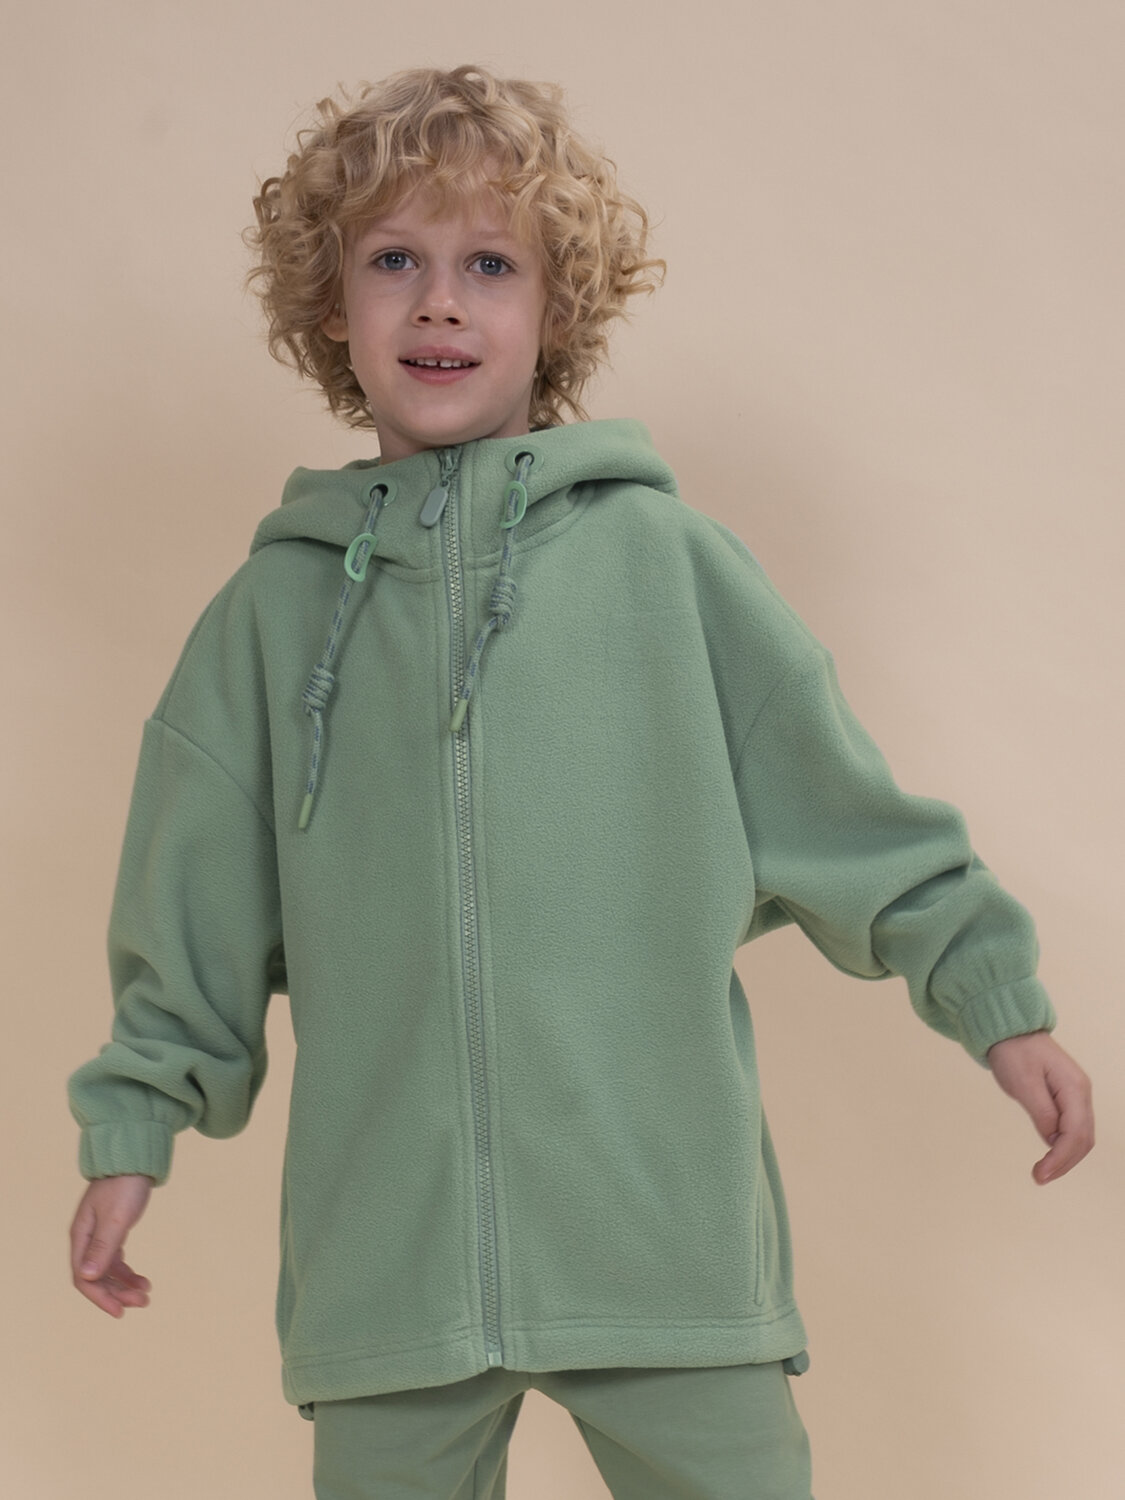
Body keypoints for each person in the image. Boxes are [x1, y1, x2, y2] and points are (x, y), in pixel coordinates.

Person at [67, 64, 1094, 1500]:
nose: (440, 303)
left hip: (664, 1240)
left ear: (556, 310)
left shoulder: (666, 569)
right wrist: (135, 1133)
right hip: (390, 1269)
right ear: (330, 306)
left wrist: (994, 999)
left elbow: (850, 820)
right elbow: (191, 915)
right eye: (394, 261)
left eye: (490, 265)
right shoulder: (270, 619)